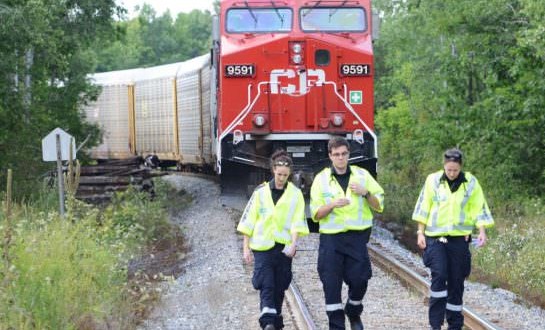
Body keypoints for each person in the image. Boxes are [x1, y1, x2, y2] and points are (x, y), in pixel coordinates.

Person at [412, 148, 494, 330]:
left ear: (460, 167)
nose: (451, 173)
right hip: (435, 238)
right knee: (440, 275)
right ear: (444, 166)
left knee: (457, 282)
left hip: (459, 240)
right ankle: (435, 323)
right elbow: (423, 206)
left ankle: (455, 325)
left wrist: (481, 231)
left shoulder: (471, 182)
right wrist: (420, 232)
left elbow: (478, 208)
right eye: (448, 170)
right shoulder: (433, 180)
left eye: (455, 170)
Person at [310, 136, 384, 330]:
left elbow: (379, 206)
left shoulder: (362, 176)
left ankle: (353, 310)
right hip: (331, 240)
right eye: (336, 155)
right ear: (330, 156)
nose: (340, 158)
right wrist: (332, 205)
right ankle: (336, 326)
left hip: (357, 238)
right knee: (331, 285)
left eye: (344, 154)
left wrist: (366, 193)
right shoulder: (321, 179)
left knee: (361, 280)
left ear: (349, 154)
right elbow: (316, 215)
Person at [237, 150, 309, 330]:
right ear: (273, 170)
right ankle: (267, 322)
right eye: (279, 174)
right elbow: (248, 221)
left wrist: (293, 244)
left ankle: (275, 321)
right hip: (262, 247)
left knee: (279, 287)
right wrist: (246, 248)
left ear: (289, 174)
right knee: (266, 283)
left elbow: (297, 222)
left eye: (285, 175)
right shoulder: (260, 193)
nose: (281, 178)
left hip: (283, 248)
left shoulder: (295, 194)